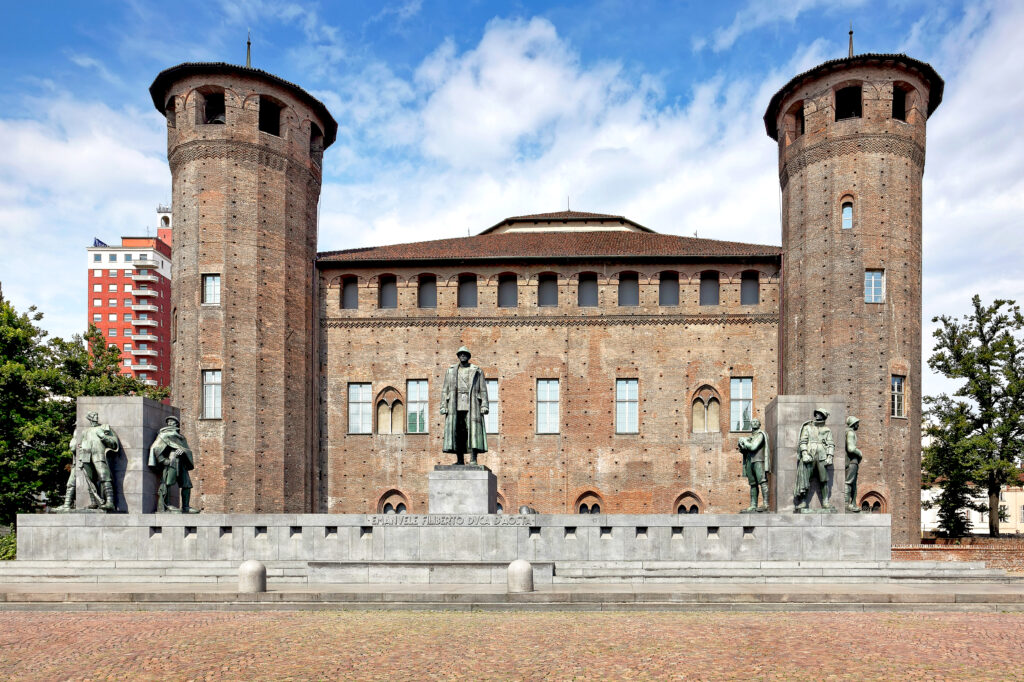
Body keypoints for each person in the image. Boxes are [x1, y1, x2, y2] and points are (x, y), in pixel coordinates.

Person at [55, 411, 120, 512]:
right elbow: (79, 446)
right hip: (86, 456)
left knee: (104, 477)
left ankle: (110, 502)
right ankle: (94, 502)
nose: (96, 417)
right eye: (93, 415)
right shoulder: (86, 432)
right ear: (89, 418)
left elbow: (114, 444)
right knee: (89, 480)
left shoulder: (104, 428)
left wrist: (103, 437)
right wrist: (80, 458)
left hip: (99, 456)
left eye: (96, 415)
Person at [440, 346, 488, 465]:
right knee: (458, 432)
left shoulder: (477, 370)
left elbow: (483, 390)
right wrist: (443, 405)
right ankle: (460, 459)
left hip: (472, 404)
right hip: (455, 405)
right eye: (461, 354)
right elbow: (445, 390)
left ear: (468, 356)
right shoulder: (451, 371)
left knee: (473, 431)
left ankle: (473, 458)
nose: (463, 356)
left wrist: (484, 405)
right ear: (458, 356)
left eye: (465, 354)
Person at [148, 416, 198, 513]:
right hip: (172, 460)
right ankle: (165, 506)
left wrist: (182, 451)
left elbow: (187, 450)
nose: (171, 423)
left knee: (187, 485)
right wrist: (163, 460)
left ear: (177, 424)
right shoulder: (164, 434)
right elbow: (155, 448)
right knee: (167, 483)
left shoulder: (181, 438)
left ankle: (186, 507)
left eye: (173, 421)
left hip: (182, 462)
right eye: (169, 422)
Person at [794, 408, 834, 513]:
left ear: (824, 416)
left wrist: (830, 456)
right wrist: (804, 453)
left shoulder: (827, 430)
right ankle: (803, 501)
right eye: (817, 413)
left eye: (820, 414)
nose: (817, 416)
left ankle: (825, 501)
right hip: (809, 455)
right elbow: (803, 441)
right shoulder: (807, 428)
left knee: (824, 480)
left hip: (822, 456)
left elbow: (830, 444)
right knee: (805, 480)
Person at [738, 417, 771, 512]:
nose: (755, 423)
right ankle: (753, 505)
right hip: (749, 461)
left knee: (762, 481)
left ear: (759, 425)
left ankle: (766, 504)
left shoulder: (760, 435)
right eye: (753, 422)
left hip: (758, 460)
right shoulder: (750, 437)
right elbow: (745, 450)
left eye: (757, 422)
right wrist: (741, 445)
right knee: (752, 484)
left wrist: (744, 441)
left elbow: (753, 447)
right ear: (751, 424)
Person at [845, 416, 863, 512]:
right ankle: (846, 504)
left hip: (850, 461)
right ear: (854, 424)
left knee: (852, 483)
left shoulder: (845, 432)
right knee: (849, 482)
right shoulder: (850, 433)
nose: (858, 425)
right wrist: (860, 453)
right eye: (857, 423)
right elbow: (851, 448)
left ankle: (852, 503)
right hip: (852, 461)